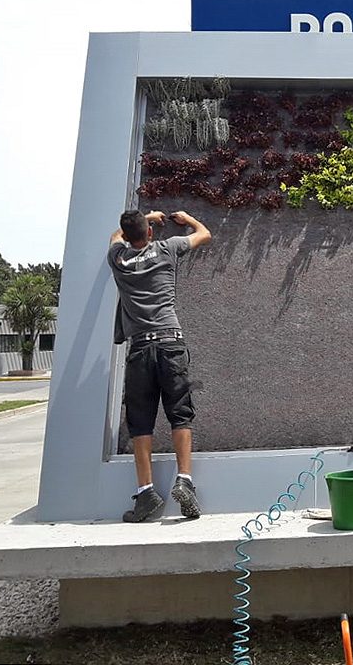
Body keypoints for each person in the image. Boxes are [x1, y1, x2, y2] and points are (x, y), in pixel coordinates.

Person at [108, 208, 212, 522]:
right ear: (150, 233)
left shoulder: (119, 259)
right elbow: (204, 233)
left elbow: (114, 238)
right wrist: (187, 218)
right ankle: (184, 479)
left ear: (129, 236)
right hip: (170, 341)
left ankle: (147, 494)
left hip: (139, 347)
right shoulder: (167, 248)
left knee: (140, 422)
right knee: (180, 413)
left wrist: (148, 217)